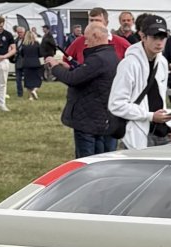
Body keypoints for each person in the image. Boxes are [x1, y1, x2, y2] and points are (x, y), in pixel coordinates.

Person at [46, 23, 119, 157]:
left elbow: (72, 79)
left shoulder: (98, 58)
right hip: (100, 117)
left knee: (86, 161)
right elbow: (87, 74)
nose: (85, 42)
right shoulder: (110, 55)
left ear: (96, 36)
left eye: (86, 38)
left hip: (88, 118)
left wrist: (55, 67)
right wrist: (70, 67)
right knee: (99, 157)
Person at [109, 13, 171, 148]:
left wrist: (167, 123)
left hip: (162, 132)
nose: (159, 42)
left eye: (163, 37)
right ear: (142, 36)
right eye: (154, 37)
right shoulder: (129, 64)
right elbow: (116, 104)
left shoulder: (163, 62)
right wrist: (150, 116)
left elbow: (159, 98)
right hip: (137, 133)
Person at [64, 6, 131, 62]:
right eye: (91, 20)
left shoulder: (121, 43)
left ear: (106, 23)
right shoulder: (79, 41)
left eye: (97, 20)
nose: (94, 24)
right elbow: (66, 60)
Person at [17, 25, 43, 100]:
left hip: (26, 64)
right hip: (35, 63)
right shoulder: (37, 44)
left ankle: (30, 96)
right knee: (38, 79)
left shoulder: (24, 45)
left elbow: (21, 54)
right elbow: (40, 54)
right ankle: (34, 90)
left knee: (27, 80)